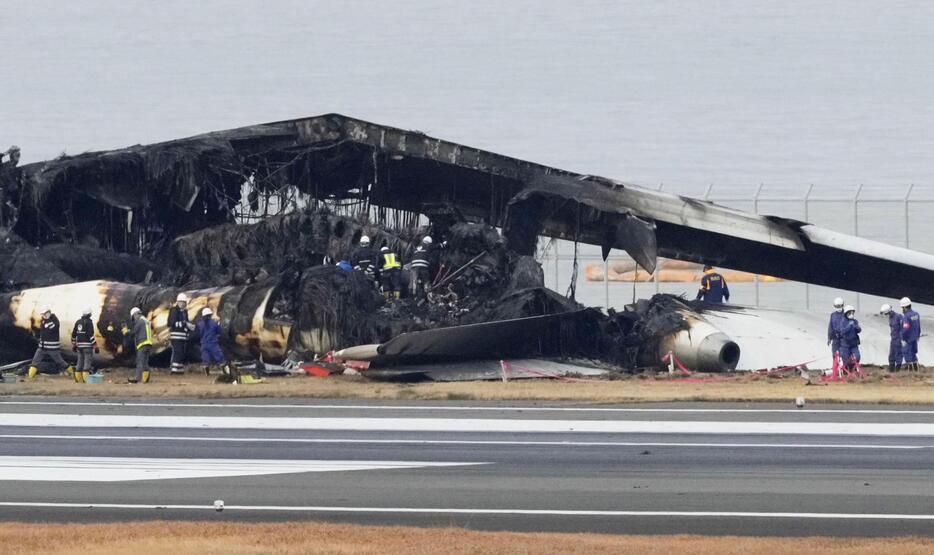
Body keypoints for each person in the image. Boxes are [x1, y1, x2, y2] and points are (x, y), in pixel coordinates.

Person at [27, 306, 75, 380]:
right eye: (42, 314)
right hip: (42, 347)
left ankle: (72, 373)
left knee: (60, 361)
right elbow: (43, 332)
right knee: (35, 361)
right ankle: (30, 377)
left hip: (52, 348)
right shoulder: (44, 321)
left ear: (49, 313)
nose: (43, 316)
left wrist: (47, 323)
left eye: (45, 314)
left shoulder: (54, 321)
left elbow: (52, 327)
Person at [167, 293, 195, 374]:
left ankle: (179, 368)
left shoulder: (185, 312)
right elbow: (172, 323)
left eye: (184, 302)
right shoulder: (174, 310)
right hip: (175, 336)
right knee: (177, 351)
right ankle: (174, 369)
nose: (183, 304)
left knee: (182, 352)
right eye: (181, 302)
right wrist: (185, 324)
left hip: (183, 336)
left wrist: (189, 327)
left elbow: (185, 321)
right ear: (178, 302)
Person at [70, 308, 99, 383]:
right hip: (87, 347)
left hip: (79, 346)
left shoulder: (78, 322)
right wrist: (95, 346)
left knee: (79, 363)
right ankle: (86, 381)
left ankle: (79, 381)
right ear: (89, 314)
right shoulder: (89, 322)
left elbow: (73, 335)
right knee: (87, 364)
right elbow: (90, 335)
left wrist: (74, 345)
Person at [196, 307, 226, 374]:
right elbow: (219, 331)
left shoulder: (200, 324)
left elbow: (198, 333)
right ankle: (224, 370)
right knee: (220, 357)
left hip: (203, 344)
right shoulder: (214, 323)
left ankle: (206, 370)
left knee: (205, 357)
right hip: (213, 344)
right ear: (210, 315)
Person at [128, 307, 153, 384]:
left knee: (140, 362)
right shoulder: (146, 320)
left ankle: (136, 378)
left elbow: (134, 332)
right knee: (145, 363)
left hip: (142, 344)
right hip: (148, 344)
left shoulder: (140, 321)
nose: (134, 319)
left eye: (133, 317)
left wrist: (126, 331)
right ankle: (146, 379)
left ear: (136, 314)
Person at [900, 297, 921, 372]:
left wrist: (903, 338)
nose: (902, 309)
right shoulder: (916, 314)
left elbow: (906, 328)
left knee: (907, 354)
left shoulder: (906, 316)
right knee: (913, 355)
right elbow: (918, 326)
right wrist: (918, 335)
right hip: (914, 338)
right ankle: (916, 372)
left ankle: (911, 374)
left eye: (902, 307)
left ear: (905, 307)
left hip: (908, 339)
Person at [881, 304, 903, 372]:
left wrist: (903, 338)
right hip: (893, 339)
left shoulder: (899, 316)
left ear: (888, 311)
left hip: (899, 339)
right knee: (891, 355)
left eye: (886, 313)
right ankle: (891, 371)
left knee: (898, 355)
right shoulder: (890, 317)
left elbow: (903, 328)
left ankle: (897, 371)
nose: (886, 315)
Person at [839, 305, 861, 371]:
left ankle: (853, 367)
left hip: (854, 344)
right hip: (845, 344)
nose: (851, 315)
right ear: (846, 314)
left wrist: (856, 327)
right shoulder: (843, 322)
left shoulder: (855, 321)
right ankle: (846, 369)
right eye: (849, 313)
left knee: (857, 356)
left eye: (852, 313)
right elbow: (842, 332)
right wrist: (849, 326)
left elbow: (859, 330)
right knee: (846, 358)